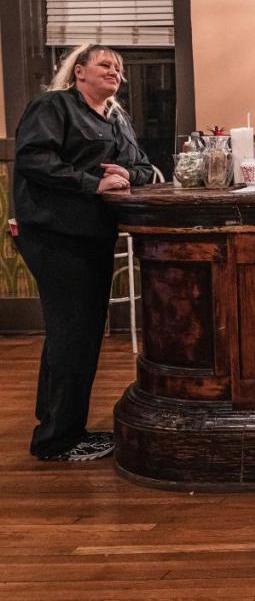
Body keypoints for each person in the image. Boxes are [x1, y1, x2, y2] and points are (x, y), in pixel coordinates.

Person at [13, 44, 153, 462]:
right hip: (55, 235)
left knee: (74, 335)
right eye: (105, 64)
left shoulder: (116, 119)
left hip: (91, 237)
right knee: (74, 335)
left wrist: (128, 173)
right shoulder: (54, 107)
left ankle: (58, 426)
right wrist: (91, 184)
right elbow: (33, 160)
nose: (115, 72)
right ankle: (58, 439)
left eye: (119, 68)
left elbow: (144, 167)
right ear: (79, 72)